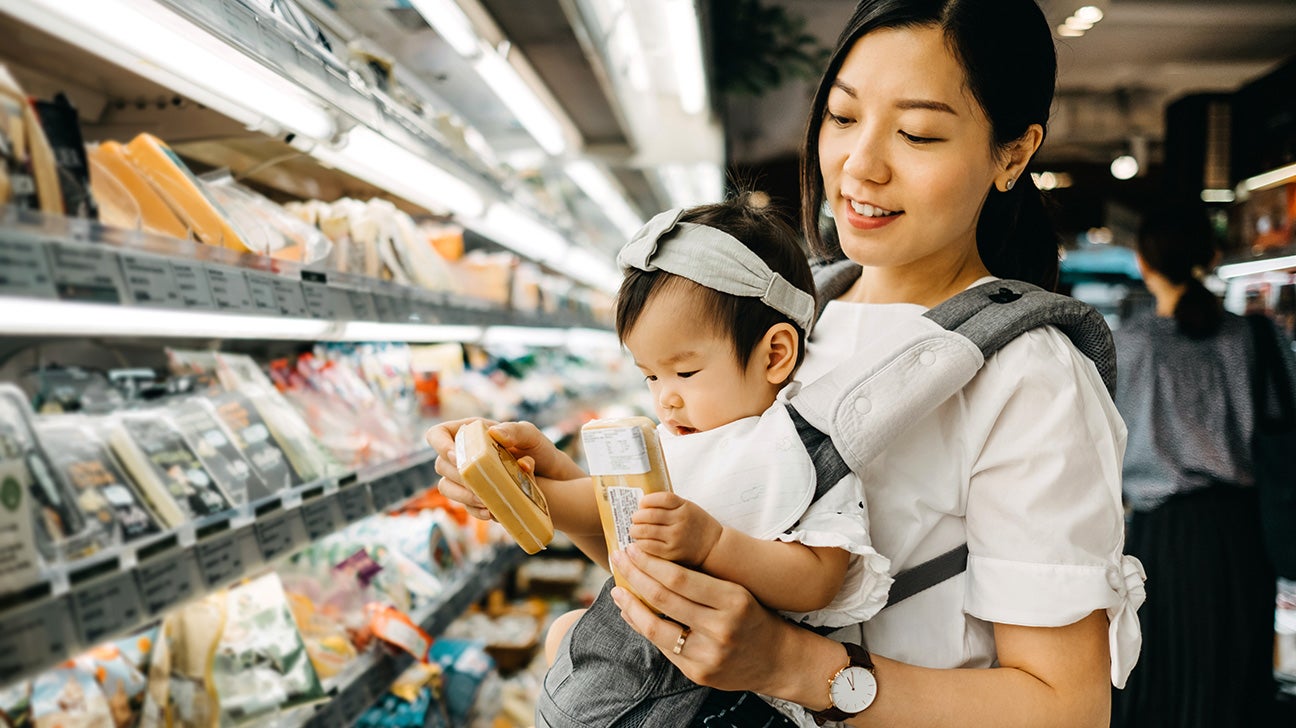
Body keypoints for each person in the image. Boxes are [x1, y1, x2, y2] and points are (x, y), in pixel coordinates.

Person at [429, 0, 1145, 725]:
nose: (861, 165)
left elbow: (1067, 707)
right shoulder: (795, 313)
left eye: (918, 133)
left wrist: (791, 665)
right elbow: (707, 564)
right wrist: (562, 497)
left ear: (1013, 154)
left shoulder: (1030, 376)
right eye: (841, 117)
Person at [516, 198, 893, 727]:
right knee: (567, 631)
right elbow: (607, 506)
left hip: (730, 700)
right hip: (641, 669)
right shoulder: (677, 439)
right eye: (651, 376)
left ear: (774, 355)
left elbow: (817, 580)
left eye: (685, 373)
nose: (665, 399)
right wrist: (526, 486)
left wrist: (715, 544)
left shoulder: (802, 452)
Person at [1113, 205, 1292, 727]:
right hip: (1246, 535)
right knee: (1239, 685)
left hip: (1160, 541)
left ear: (1144, 264)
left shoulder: (1127, 345)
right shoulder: (1258, 339)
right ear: (1212, 257)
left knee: (1161, 688)